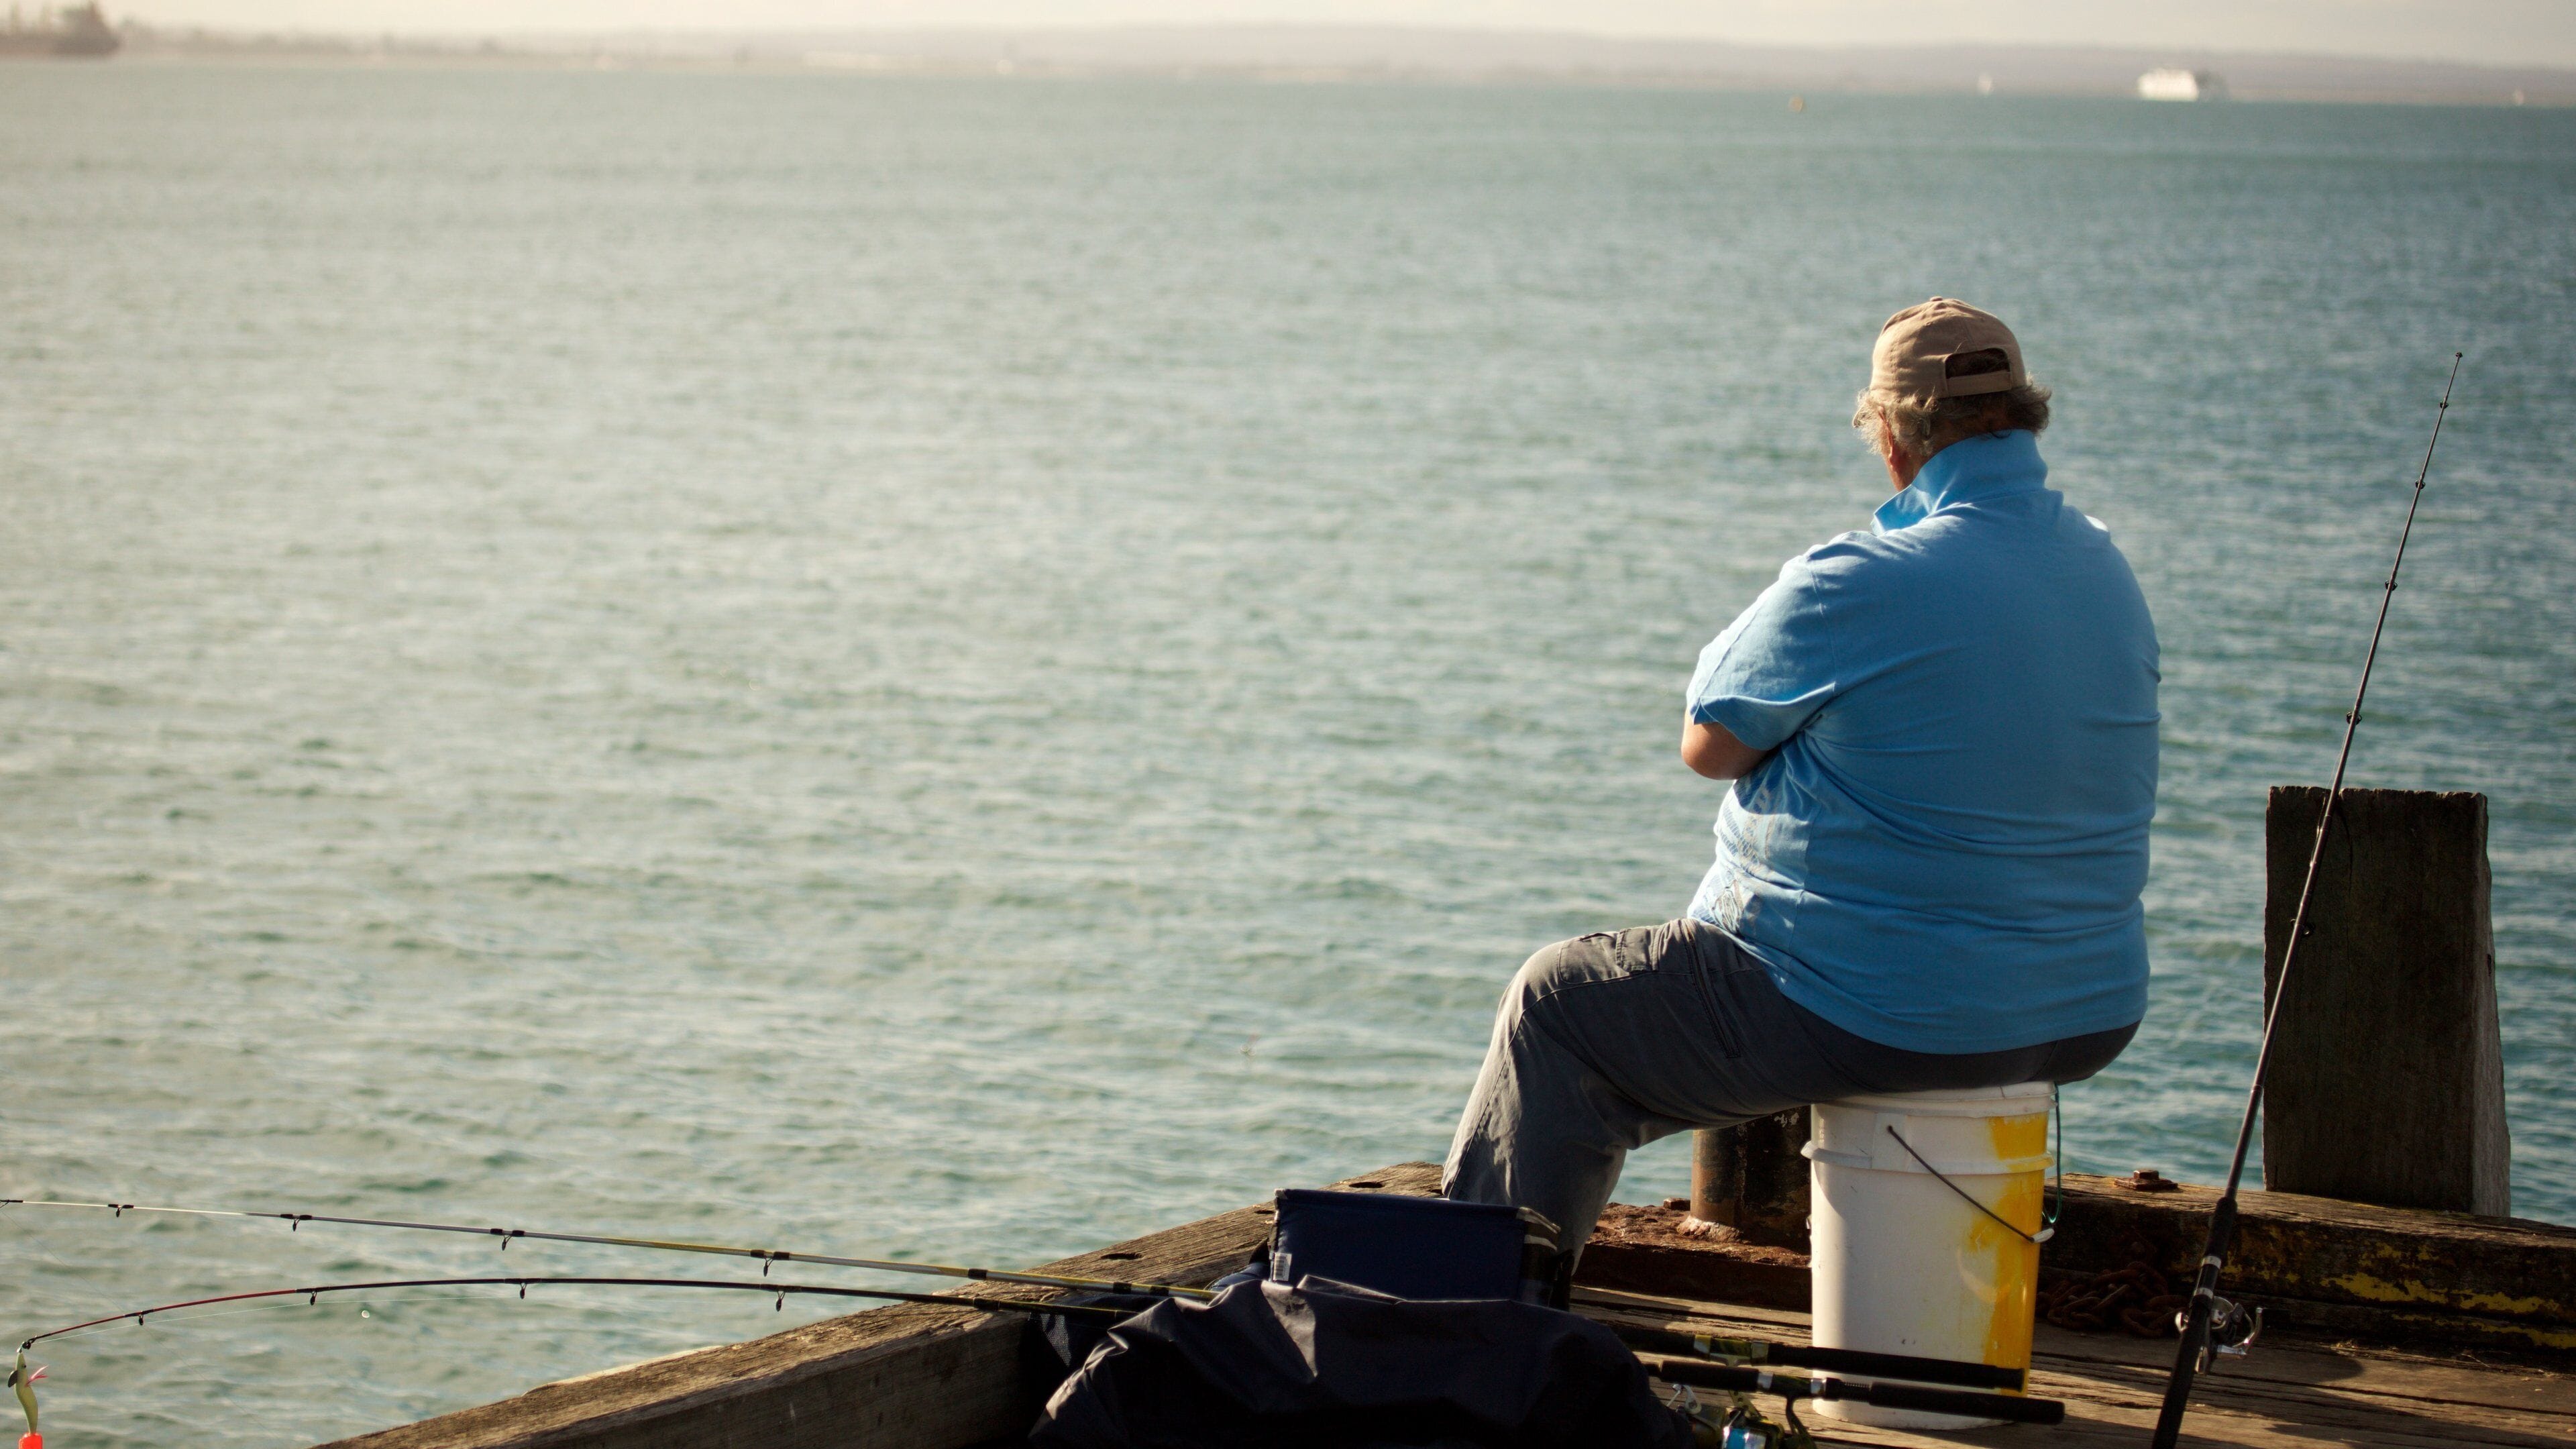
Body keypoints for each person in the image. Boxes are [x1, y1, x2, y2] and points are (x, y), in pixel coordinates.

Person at [1443, 299, 2158, 1252]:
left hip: (1889, 1011)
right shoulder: (2102, 563)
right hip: (2085, 1009)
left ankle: (1478, 1322)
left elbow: (1709, 745)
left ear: (1893, 435)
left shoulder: (1859, 579)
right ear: (2022, 415)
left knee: (1563, 1007)